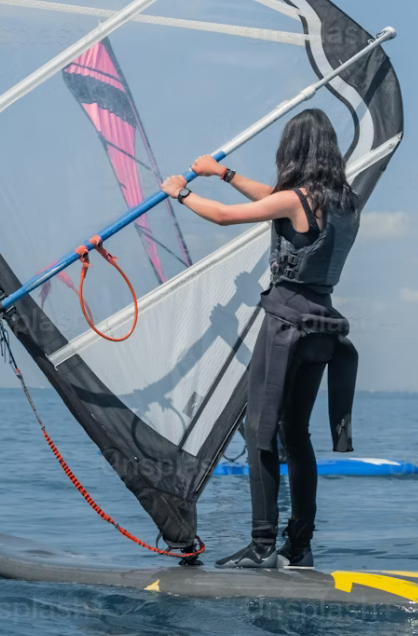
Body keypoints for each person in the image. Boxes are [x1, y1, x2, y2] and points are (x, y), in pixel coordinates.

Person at [160, 108, 360, 569]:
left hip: (286, 325)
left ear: (293, 150)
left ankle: (263, 546)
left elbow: (227, 217)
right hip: (323, 328)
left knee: (260, 433)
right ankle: (300, 544)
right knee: (297, 436)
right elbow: (274, 199)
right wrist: (224, 172)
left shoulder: (297, 198)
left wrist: (182, 192)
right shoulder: (346, 202)